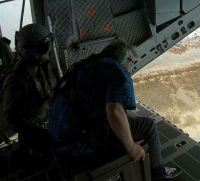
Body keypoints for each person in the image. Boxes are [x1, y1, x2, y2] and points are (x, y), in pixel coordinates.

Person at [48, 40, 182, 180]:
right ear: (122, 57)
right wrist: (131, 147)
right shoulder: (117, 70)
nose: (131, 69)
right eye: (131, 63)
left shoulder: (84, 66)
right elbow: (114, 112)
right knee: (148, 126)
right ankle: (158, 172)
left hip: (60, 142)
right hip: (82, 144)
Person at [2, 24, 52, 154]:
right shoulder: (17, 80)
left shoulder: (37, 69)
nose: (49, 50)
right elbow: (11, 119)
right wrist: (36, 132)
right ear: (34, 51)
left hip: (45, 128)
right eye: (46, 46)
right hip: (34, 140)